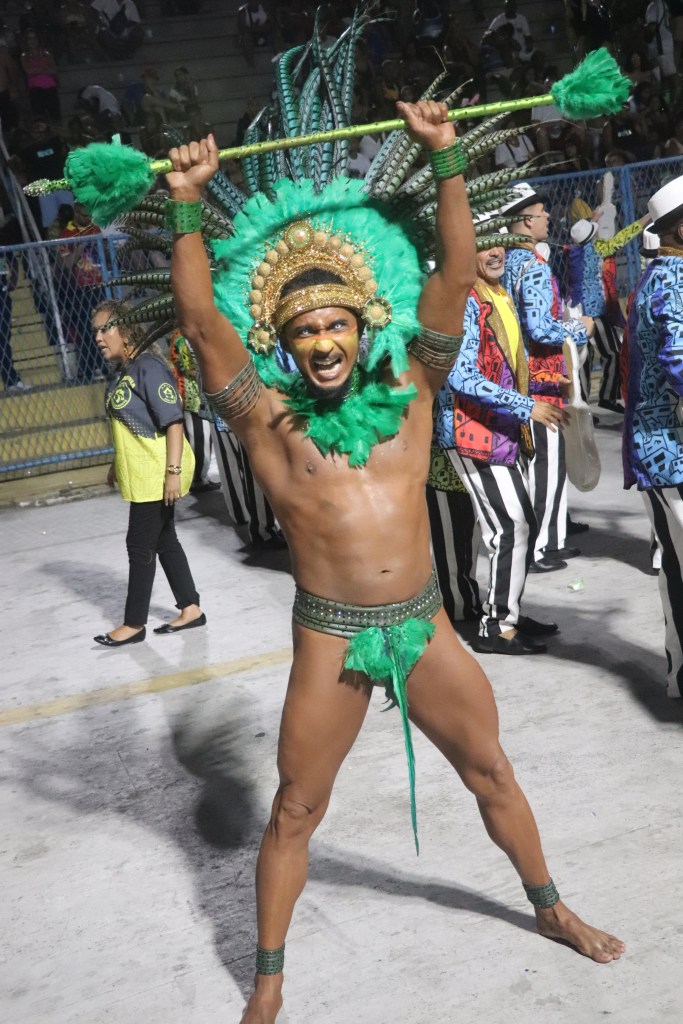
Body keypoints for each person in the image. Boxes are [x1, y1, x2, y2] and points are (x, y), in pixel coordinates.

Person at [163, 107, 623, 1022]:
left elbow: (454, 274)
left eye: (335, 323)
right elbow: (201, 320)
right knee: (295, 810)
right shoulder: (266, 422)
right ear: (285, 342)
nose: (322, 342)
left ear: (361, 322)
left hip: (423, 624)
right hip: (330, 639)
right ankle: (268, 985)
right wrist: (184, 204)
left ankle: (550, 907)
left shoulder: (412, 391)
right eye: (304, 330)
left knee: (491, 772)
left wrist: (445, 157)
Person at [438, 239, 567, 653]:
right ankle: (495, 627)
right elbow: (461, 377)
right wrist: (528, 406)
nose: (495, 253)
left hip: (500, 429)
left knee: (520, 522)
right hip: (470, 429)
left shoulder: (498, 293)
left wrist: (542, 387)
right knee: (509, 526)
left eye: (499, 244)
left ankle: (507, 610)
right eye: (483, 246)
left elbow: (510, 361)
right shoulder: (465, 301)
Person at [93, 299, 205, 647]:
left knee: (139, 543)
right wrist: (117, 464)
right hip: (143, 471)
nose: (98, 337)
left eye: (105, 329)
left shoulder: (148, 368)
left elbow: (173, 422)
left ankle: (133, 624)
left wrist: (172, 472)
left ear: (126, 330)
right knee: (164, 539)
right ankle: (190, 608)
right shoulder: (123, 372)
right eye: (95, 331)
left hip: (159, 469)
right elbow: (129, 423)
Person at [502, 183, 593, 572]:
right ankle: (539, 547)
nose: (548, 218)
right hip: (541, 379)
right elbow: (540, 328)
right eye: (542, 213)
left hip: (521, 375)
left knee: (544, 463)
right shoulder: (532, 265)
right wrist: (579, 329)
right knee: (546, 465)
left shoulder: (506, 261)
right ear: (526, 220)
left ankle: (552, 539)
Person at [623, 175, 683, 698]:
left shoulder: (657, 274)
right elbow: (680, 358)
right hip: (673, 449)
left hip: (658, 450)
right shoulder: (676, 277)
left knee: (677, 569)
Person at [565, 212, 650, 412]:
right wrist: (646, 218)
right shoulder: (598, 249)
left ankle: (583, 404)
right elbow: (624, 236)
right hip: (595, 312)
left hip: (576, 311)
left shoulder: (572, 252)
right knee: (614, 353)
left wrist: (591, 222)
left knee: (583, 361)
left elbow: (583, 235)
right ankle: (608, 397)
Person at [20, 27, 60, 124]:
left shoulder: (47, 54)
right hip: (35, 90)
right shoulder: (24, 56)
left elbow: (54, 70)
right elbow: (29, 71)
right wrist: (44, 68)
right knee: (39, 119)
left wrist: (37, 69)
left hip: (50, 88)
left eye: (34, 38)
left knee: (55, 117)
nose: (32, 41)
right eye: (30, 38)